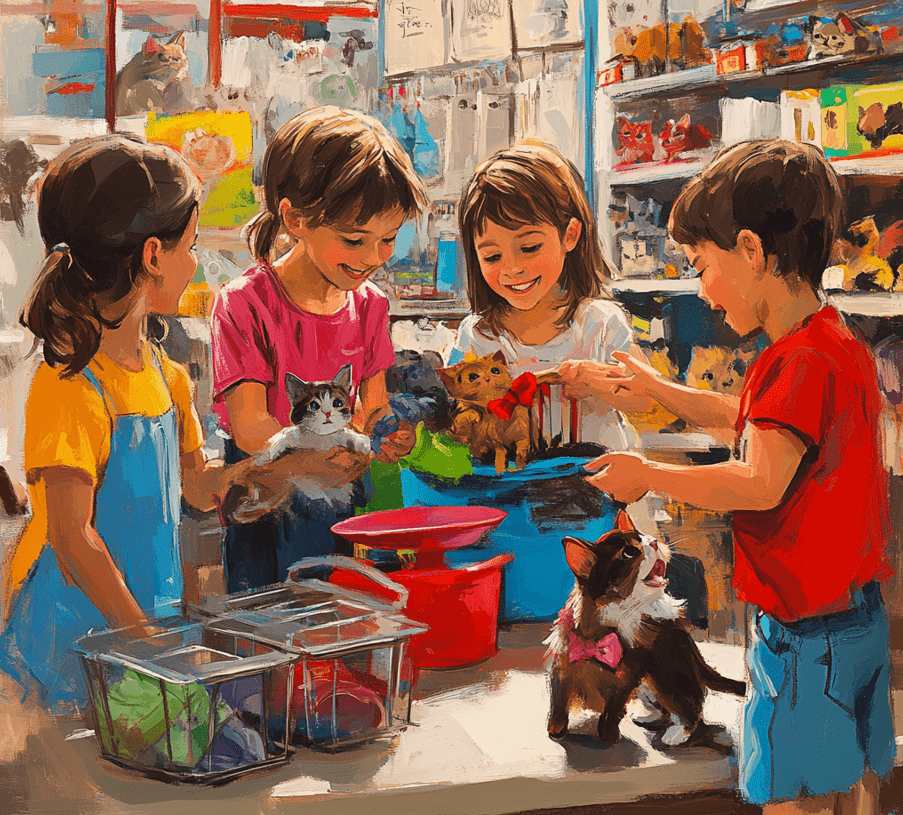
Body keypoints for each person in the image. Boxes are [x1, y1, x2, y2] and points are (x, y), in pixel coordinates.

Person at [584, 139, 895, 814]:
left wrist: (648, 474)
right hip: (852, 617)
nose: (701, 288)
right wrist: (663, 390)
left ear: (751, 251)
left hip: (803, 630)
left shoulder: (796, 361)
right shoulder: (825, 340)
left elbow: (758, 480)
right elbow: (755, 422)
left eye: (702, 266)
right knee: (855, 787)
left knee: (796, 796)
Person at [0, 134, 237, 712]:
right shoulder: (71, 386)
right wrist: (147, 644)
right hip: (70, 643)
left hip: (142, 633)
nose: (197, 262)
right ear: (153, 256)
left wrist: (276, 466)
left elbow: (199, 489)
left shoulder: (167, 373)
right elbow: (73, 540)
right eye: (192, 246)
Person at [210, 106, 428, 593]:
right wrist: (312, 458)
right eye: (354, 240)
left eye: (387, 240)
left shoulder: (371, 305)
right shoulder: (246, 303)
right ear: (294, 219)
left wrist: (390, 435)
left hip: (341, 507)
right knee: (273, 635)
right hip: (267, 508)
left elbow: (373, 409)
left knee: (342, 631)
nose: (372, 259)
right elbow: (248, 427)